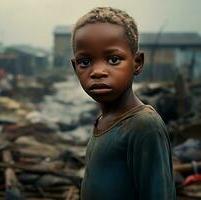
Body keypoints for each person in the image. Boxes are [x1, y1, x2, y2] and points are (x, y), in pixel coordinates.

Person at [70, 7, 176, 200]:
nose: (98, 71)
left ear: (137, 63)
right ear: (74, 66)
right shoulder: (103, 120)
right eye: (85, 62)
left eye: (113, 59)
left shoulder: (144, 125)